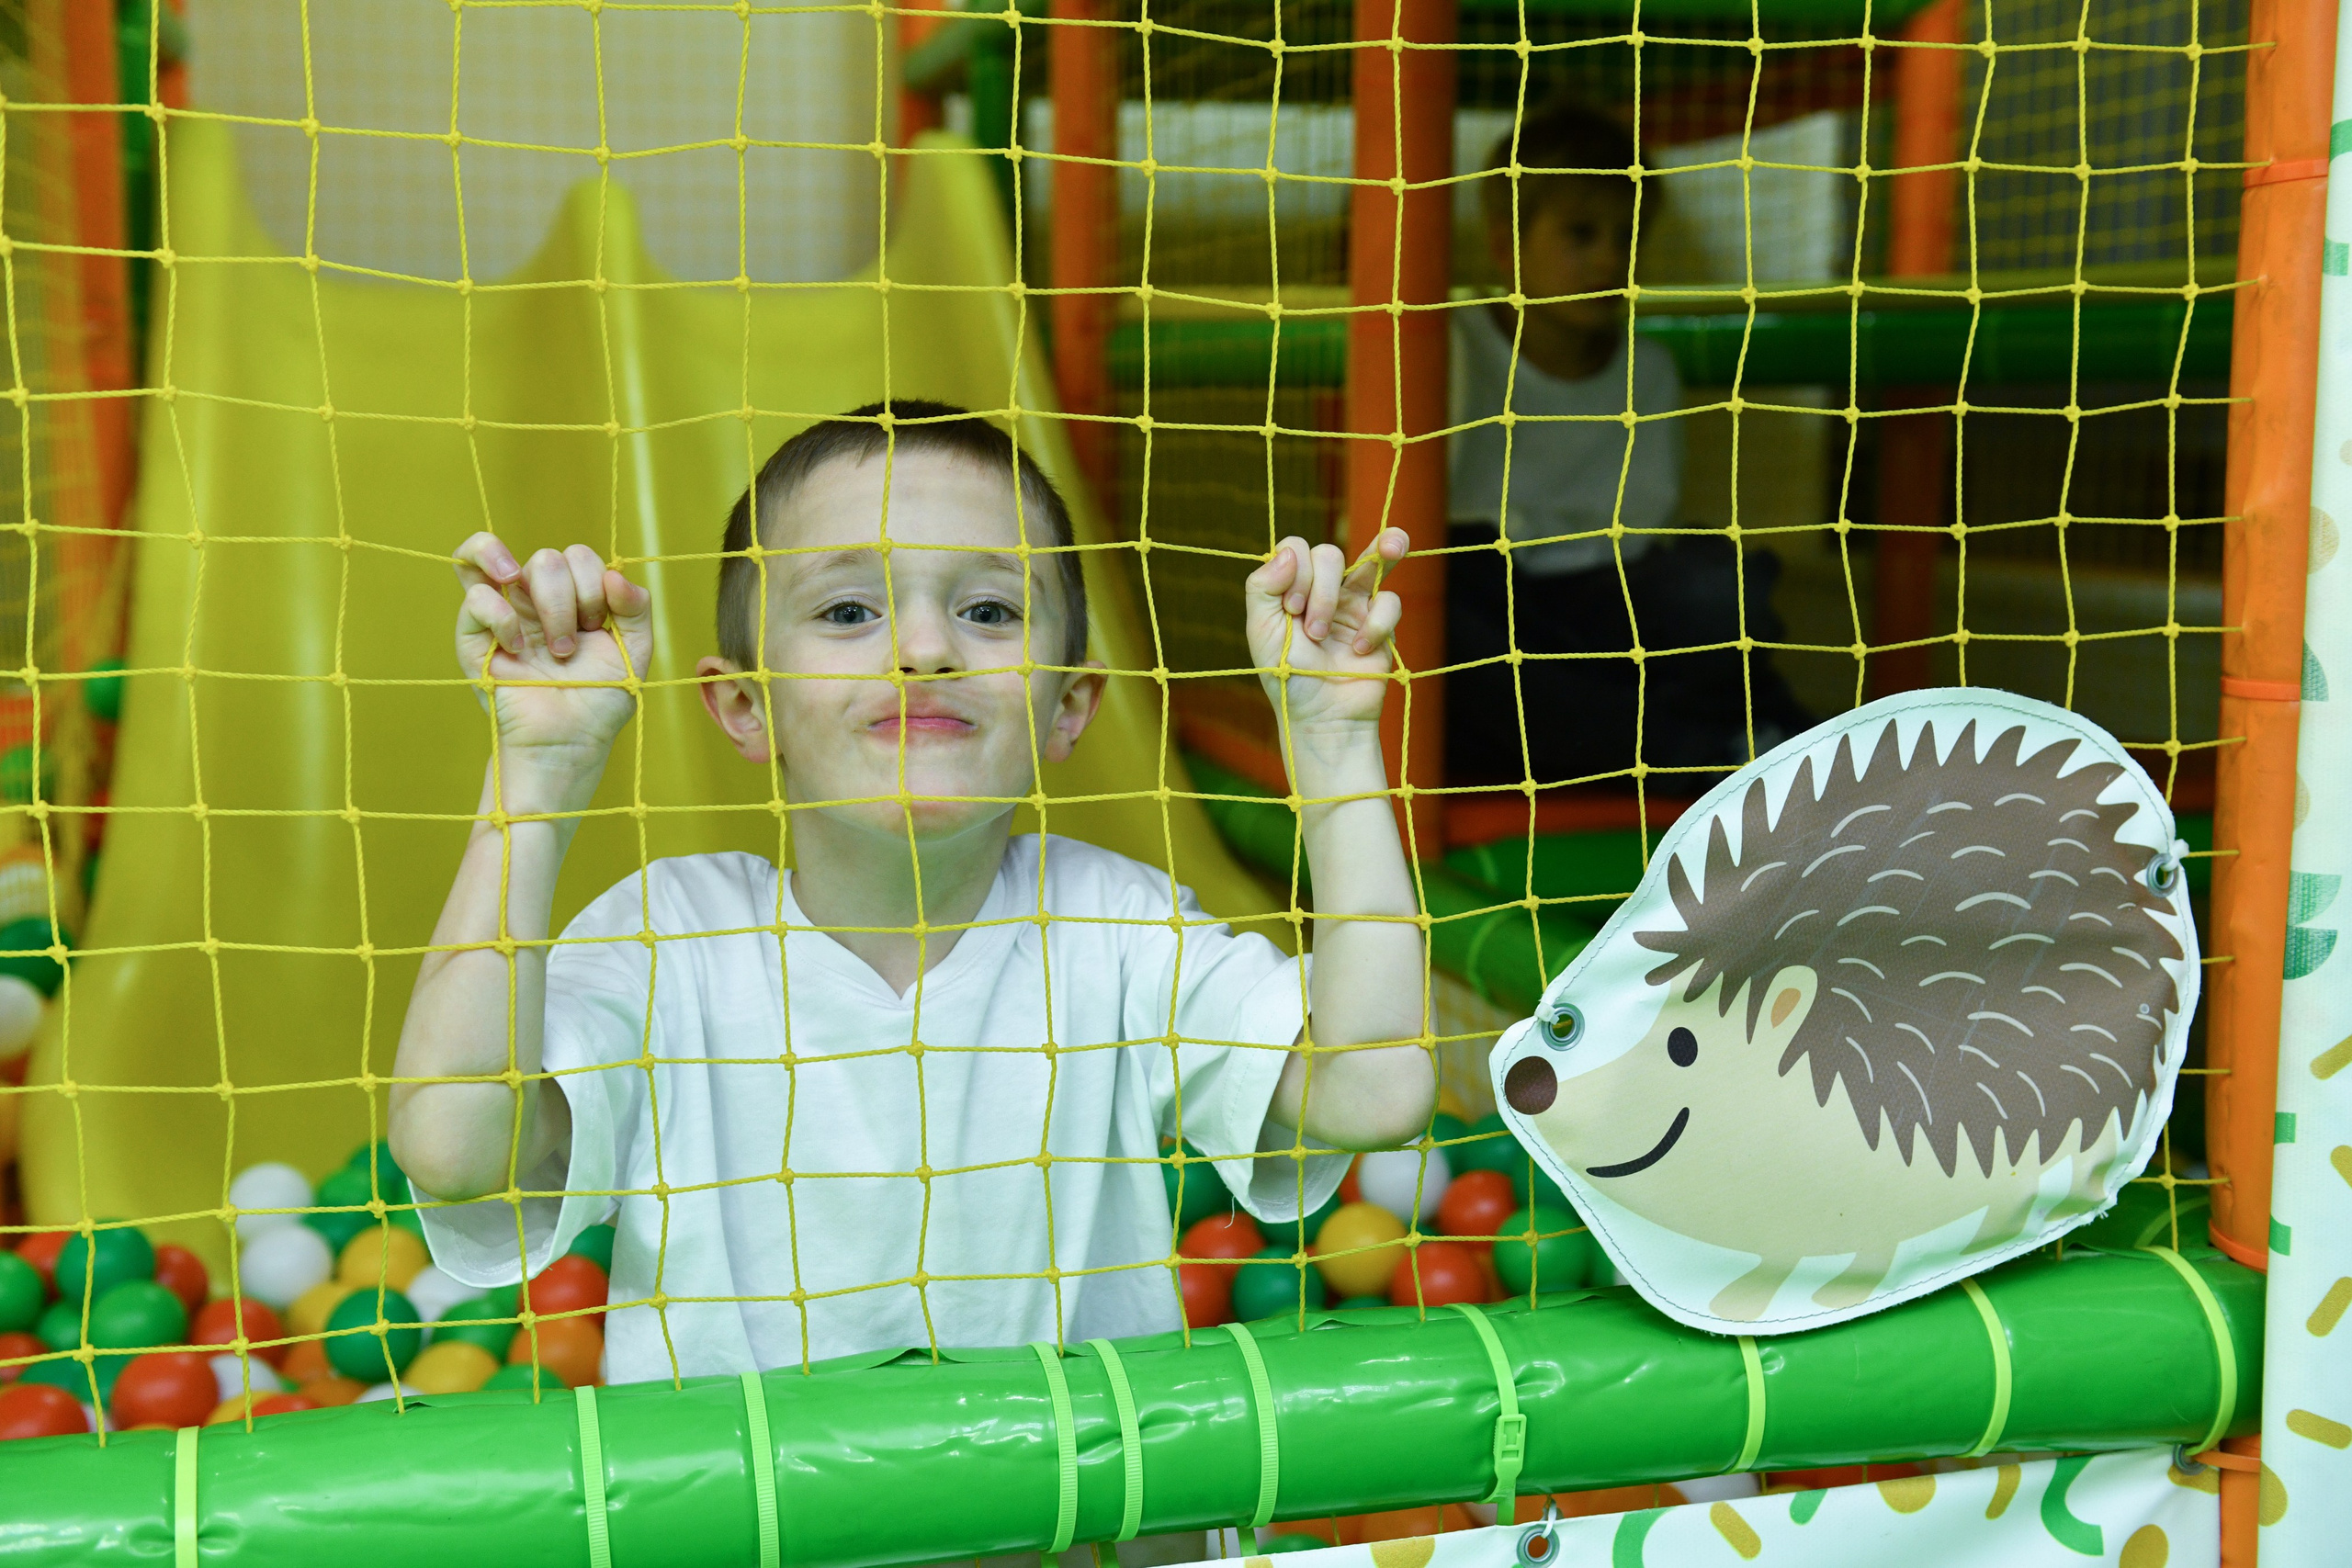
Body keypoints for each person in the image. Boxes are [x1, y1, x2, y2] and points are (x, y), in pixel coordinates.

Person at [388, 401, 1434, 1393]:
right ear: (745, 707)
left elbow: (1372, 1095)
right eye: (848, 610)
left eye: (988, 609)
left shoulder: (1117, 929)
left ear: (1067, 707)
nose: (926, 647)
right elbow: (455, 1151)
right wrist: (539, 779)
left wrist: (1335, 746)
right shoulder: (670, 936)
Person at [1447, 100, 1811, 786]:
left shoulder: (1651, 370)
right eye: (1580, 234)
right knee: (1439, 621)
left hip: (1604, 611)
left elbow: (1643, 530)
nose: (1610, 259)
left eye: (1627, 237)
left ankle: (1648, 740)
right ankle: (1696, 746)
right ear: (1505, 246)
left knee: (1723, 589)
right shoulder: (1454, 343)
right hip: (1493, 600)